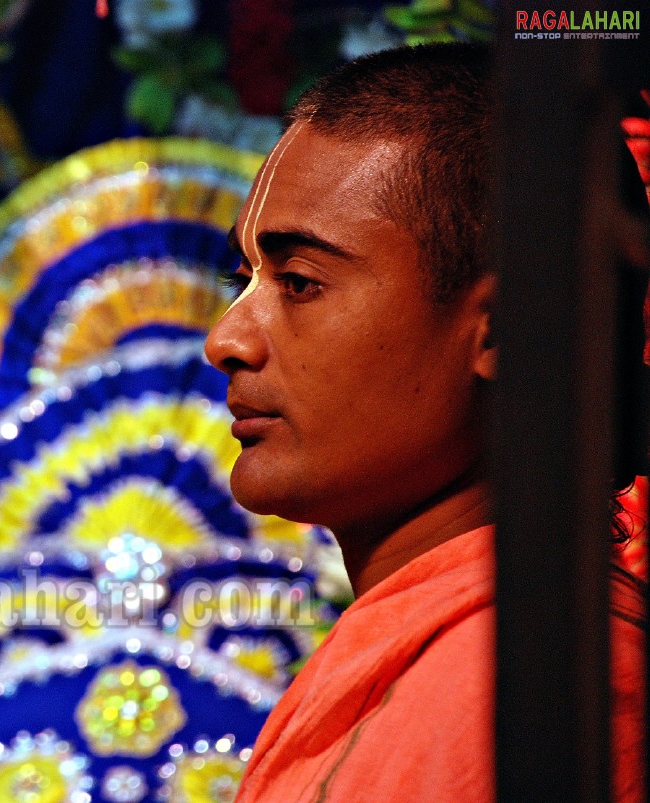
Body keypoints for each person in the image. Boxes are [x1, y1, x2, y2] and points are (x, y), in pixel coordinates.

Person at [203, 43, 645, 801]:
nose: (225, 339)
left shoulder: (542, 685)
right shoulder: (440, 652)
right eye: (243, 280)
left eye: (299, 282)